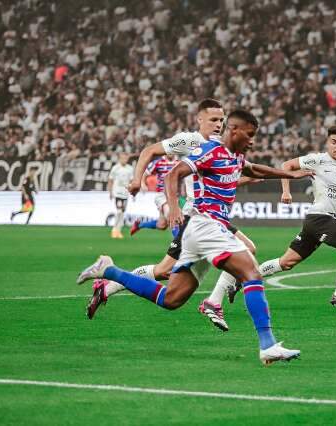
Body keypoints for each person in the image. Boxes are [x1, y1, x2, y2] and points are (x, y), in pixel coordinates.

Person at [77, 110, 313, 365]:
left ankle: (109, 271)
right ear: (234, 131)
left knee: (171, 299)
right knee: (251, 273)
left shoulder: (237, 155)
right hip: (205, 225)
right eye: (250, 134)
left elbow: (255, 170)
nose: (253, 141)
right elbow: (173, 174)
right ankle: (267, 345)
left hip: (206, 231)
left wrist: (290, 174)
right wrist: (174, 208)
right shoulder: (210, 150)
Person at [85, 99, 258, 330]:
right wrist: (137, 179)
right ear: (200, 120)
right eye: (213, 120)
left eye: (221, 120)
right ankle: (109, 283)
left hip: (214, 218)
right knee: (164, 271)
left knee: (245, 250)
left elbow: (228, 178)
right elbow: (149, 151)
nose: (218, 124)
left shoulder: (224, 147)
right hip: (193, 218)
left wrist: (251, 178)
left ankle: (107, 286)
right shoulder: (189, 140)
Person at [218, 125, 336, 315]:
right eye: (334, 142)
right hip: (319, 218)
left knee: (286, 262)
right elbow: (286, 166)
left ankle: (239, 281)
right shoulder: (317, 159)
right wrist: (286, 191)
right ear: (327, 143)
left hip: (317, 222)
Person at [129, 153, 178, 235]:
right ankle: (178, 245)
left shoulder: (179, 162)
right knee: (172, 217)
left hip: (175, 196)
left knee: (161, 225)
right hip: (162, 195)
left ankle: (139, 225)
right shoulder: (158, 162)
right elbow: (145, 173)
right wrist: (143, 184)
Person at [107, 153, 134, 239]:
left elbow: (131, 181)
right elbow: (110, 180)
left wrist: (133, 192)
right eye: (122, 158)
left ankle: (118, 230)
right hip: (117, 193)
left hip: (125, 194)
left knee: (122, 212)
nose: (124, 160)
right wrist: (110, 192)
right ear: (119, 159)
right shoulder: (115, 168)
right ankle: (114, 229)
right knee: (119, 211)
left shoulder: (130, 169)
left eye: (125, 158)